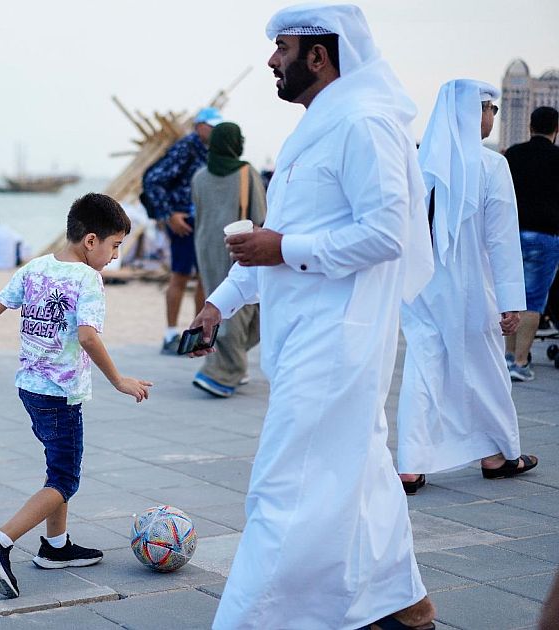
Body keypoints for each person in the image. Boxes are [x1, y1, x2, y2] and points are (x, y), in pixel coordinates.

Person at [189, 5, 438, 628]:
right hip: (307, 338)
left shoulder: (364, 123)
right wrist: (220, 301)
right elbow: (276, 239)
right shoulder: (315, 131)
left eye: (283, 47)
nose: (273, 60)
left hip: (337, 343)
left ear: (319, 57)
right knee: (367, 475)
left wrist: (285, 249)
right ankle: (408, 608)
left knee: (281, 489)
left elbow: (386, 233)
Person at [0, 193, 152, 599]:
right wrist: (119, 379)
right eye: (115, 245)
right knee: (66, 479)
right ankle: (0, 539)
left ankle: (55, 547)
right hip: (61, 395)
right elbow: (87, 336)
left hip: (29, 388)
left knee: (57, 467)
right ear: (90, 241)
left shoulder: (36, 267)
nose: (115, 256)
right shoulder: (88, 279)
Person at [397, 80, 537, 495]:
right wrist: (511, 302)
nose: (491, 116)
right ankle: (498, 455)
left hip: (422, 286)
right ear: (470, 114)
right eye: (488, 108)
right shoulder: (491, 165)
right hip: (474, 287)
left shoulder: (420, 163)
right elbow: (501, 239)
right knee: (486, 367)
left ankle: (411, 465)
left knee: (422, 368)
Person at [190, 122, 267, 397]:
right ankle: (225, 372)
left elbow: (197, 213)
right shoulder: (247, 173)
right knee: (241, 308)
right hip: (238, 245)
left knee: (219, 301)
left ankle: (230, 362)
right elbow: (260, 215)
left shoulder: (199, 176)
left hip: (205, 246)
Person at [142, 106, 222, 354]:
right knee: (180, 275)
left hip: (203, 221)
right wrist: (168, 215)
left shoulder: (210, 151)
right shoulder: (186, 147)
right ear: (200, 127)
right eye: (212, 127)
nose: (216, 131)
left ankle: (198, 333)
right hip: (184, 221)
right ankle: (170, 334)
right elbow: (154, 179)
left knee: (204, 278)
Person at [504, 106, 559, 382]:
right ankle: (521, 362)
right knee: (533, 301)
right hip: (546, 236)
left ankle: (507, 357)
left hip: (512, 233)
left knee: (511, 295)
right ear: (556, 130)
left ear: (529, 126)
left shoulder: (512, 155)